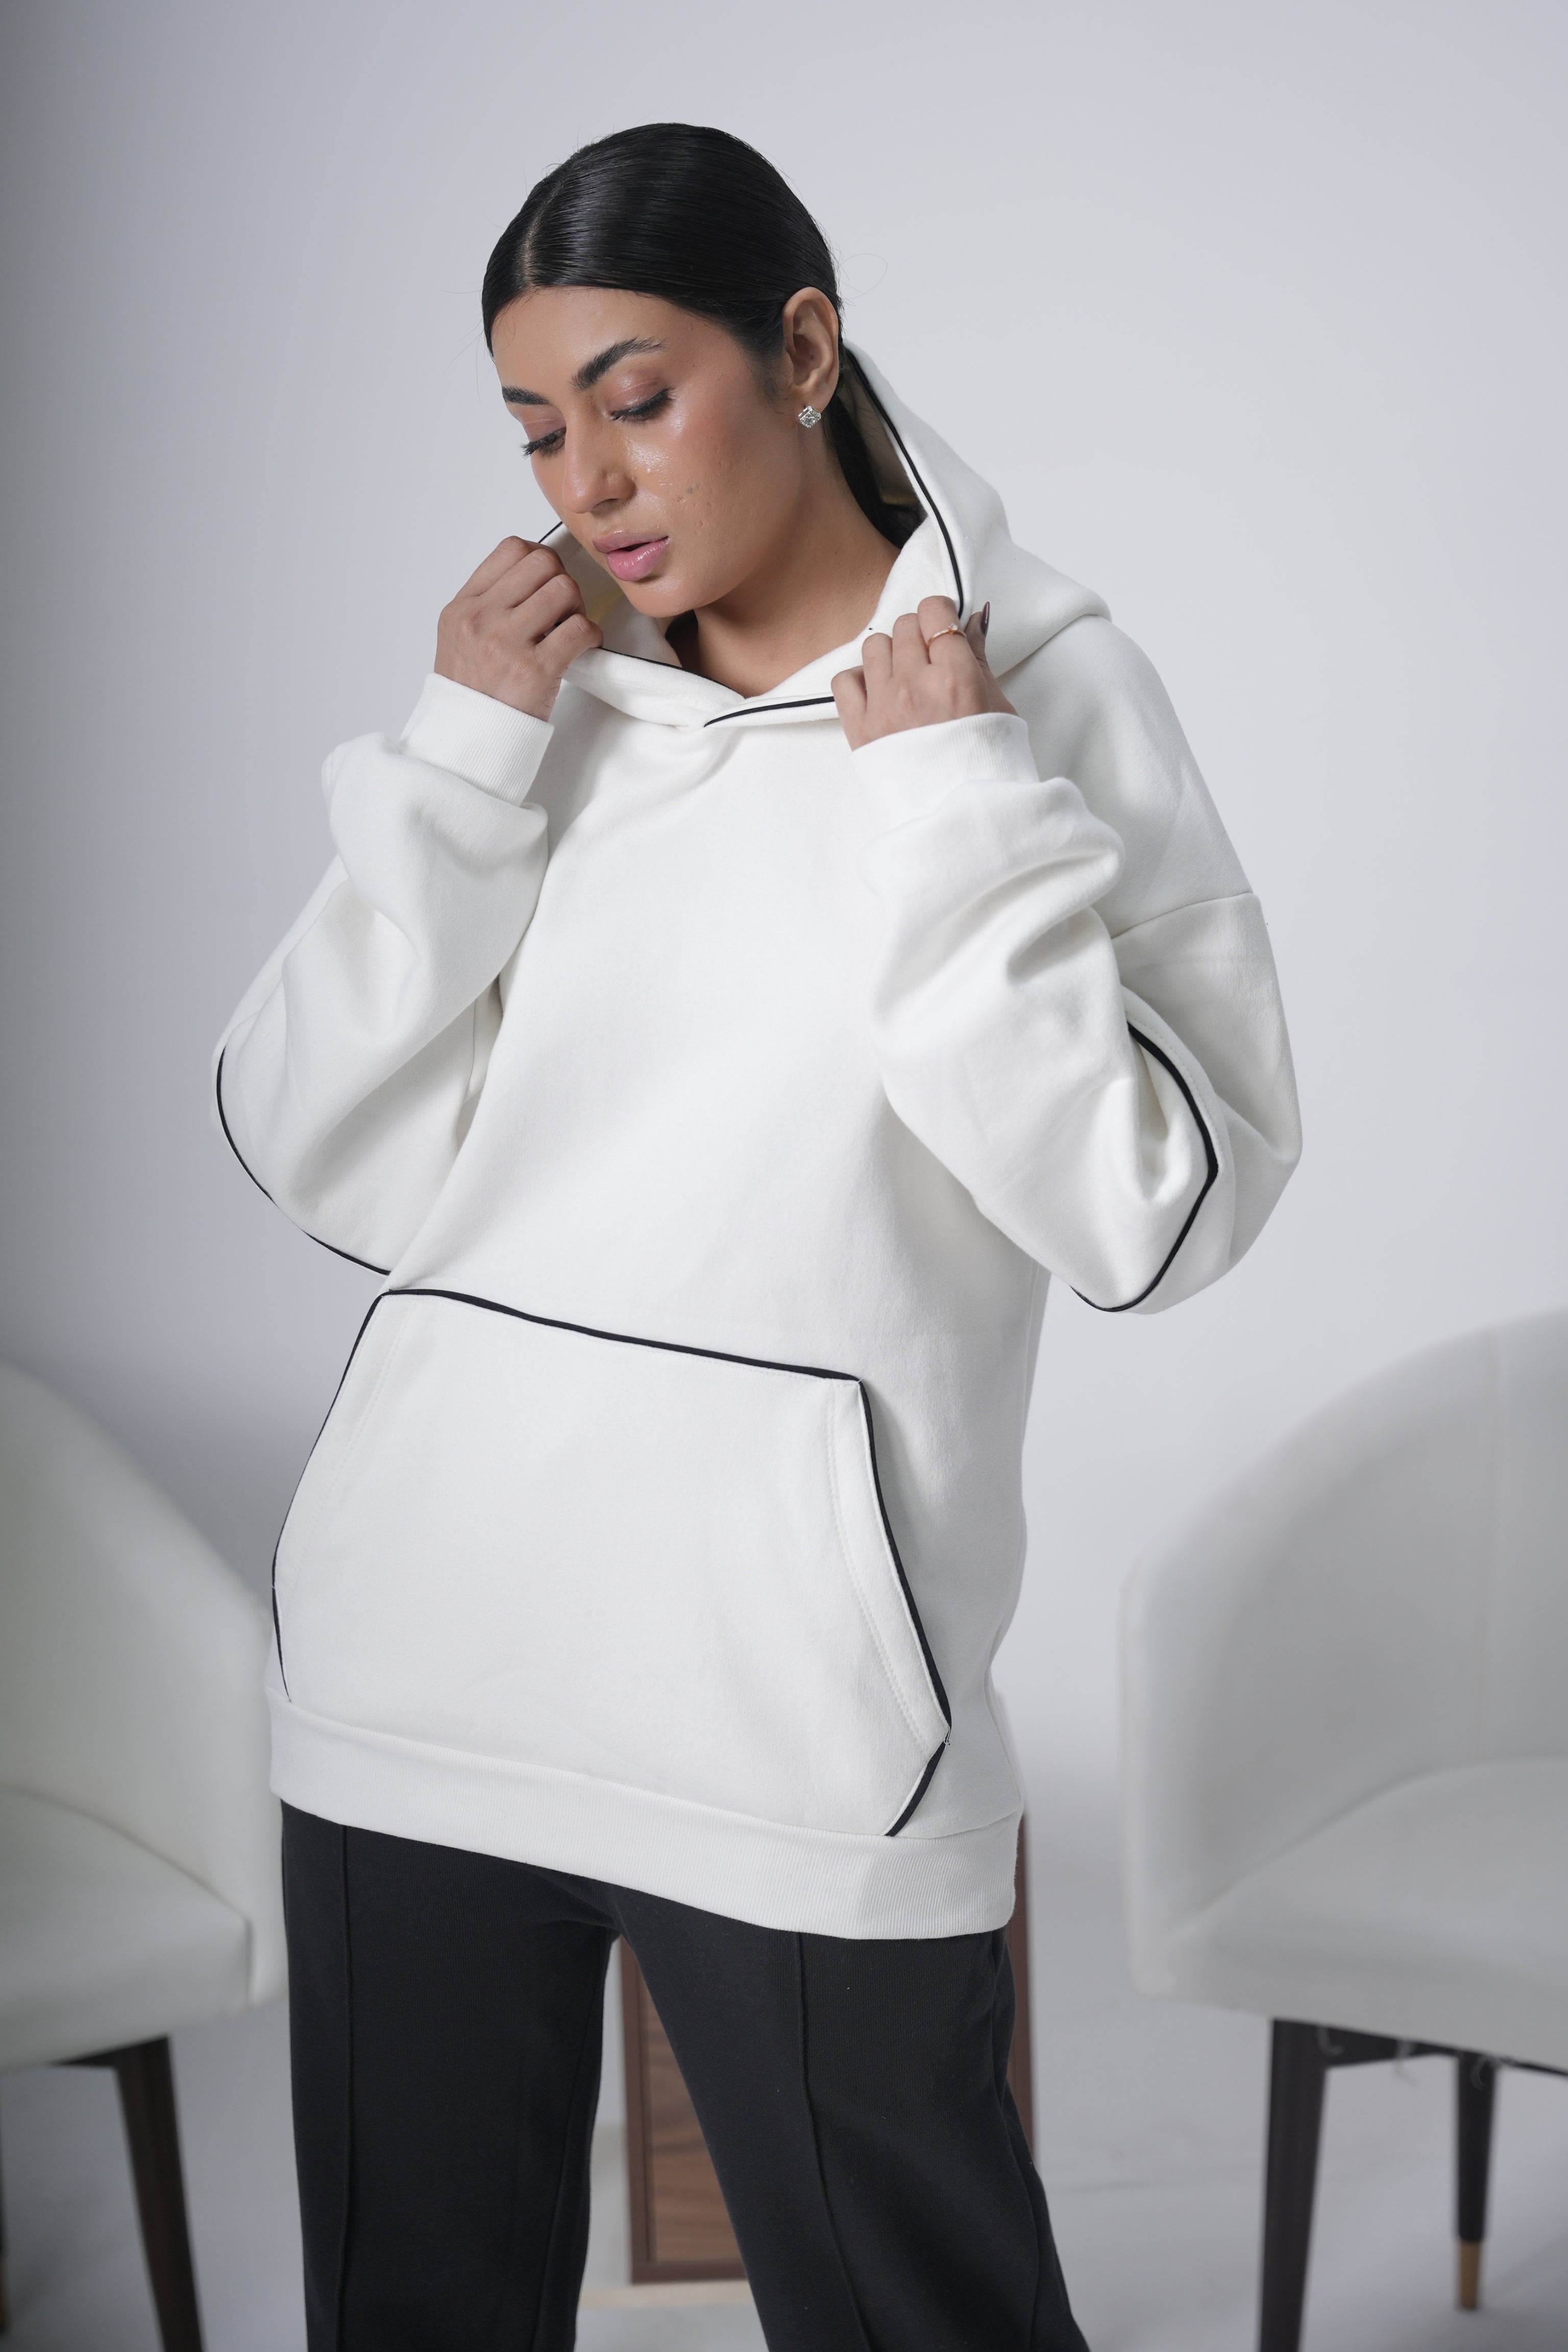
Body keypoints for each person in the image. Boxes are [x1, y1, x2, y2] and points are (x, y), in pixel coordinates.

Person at [215, 122, 1300, 2352]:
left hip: (800, 1727)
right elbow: (312, 1139)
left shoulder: (1038, 696)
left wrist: (952, 806)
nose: (592, 480)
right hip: (420, 1675)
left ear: (803, 351)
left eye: (637, 396)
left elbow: (1147, 1214)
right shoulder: (546, 698)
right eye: (539, 427)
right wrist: (459, 754)